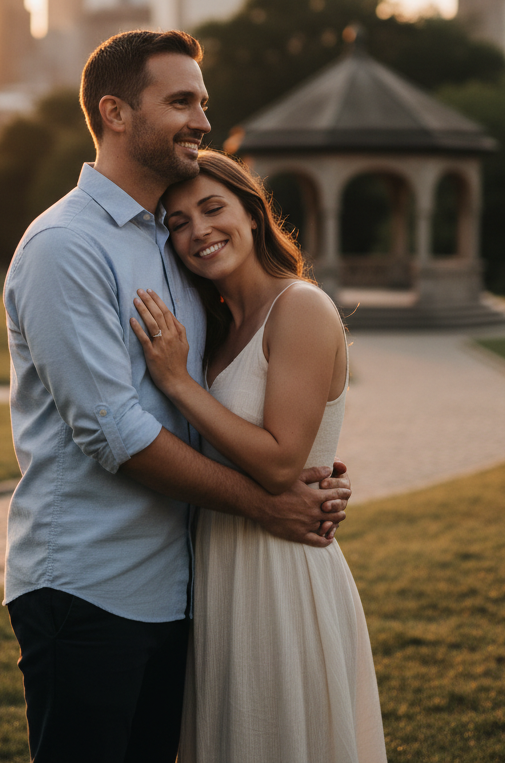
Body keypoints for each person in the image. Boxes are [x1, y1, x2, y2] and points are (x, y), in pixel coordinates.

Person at [3, 29, 353, 763]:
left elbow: (241, 397)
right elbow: (115, 433)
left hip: (184, 590)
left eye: (204, 102)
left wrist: (303, 467)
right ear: (116, 112)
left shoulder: (171, 245)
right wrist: (267, 502)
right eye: (182, 101)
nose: (202, 119)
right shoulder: (66, 246)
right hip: (88, 588)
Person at [130, 150, 387, 763]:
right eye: (178, 223)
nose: (199, 230)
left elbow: (278, 463)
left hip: (282, 571)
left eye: (213, 208)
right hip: (216, 570)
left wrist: (178, 383)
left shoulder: (300, 307)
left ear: (252, 212)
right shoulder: (217, 328)